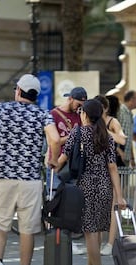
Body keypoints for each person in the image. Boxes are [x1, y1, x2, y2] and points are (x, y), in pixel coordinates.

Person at [0, 74, 61, 265]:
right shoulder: (42, 115)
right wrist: (54, 158)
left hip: (4, 178)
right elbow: (54, 139)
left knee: (0, 224)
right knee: (27, 230)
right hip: (30, 180)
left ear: (18, 91)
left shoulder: (2, 110)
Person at [56, 98, 126, 265]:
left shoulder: (78, 133)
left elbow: (63, 158)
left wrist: (52, 163)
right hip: (104, 187)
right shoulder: (107, 136)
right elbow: (112, 167)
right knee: (97, 232)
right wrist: (119, 196)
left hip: (85, 186)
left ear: (85, 114)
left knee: (90, 234)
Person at [49, 86, 88, 255]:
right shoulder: (54, 115)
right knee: (54, 197)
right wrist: (72, 135)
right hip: (56, 161)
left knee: (71, 201)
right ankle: (53, 236)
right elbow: (53, 139)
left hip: (73, 163)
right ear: (70, 98)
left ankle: (68, 237)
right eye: (78, 103)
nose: (79, 107)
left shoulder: (80, 116)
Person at [94, 95, 127, 256]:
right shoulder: (90, 122)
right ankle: (96, 242)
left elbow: (122, 139)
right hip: (95, 169)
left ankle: (110, 243)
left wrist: (104, 130)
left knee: (113, 206)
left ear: (106, 108)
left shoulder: (112, 122)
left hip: (111, 166)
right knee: (98, 206)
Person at [117, 90, 136, 167]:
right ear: (132, 99)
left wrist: (132, 158)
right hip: (118, 155)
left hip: (126, 157)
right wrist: (117, 149)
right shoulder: (120, 111)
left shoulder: (130, 114)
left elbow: (129, 138)